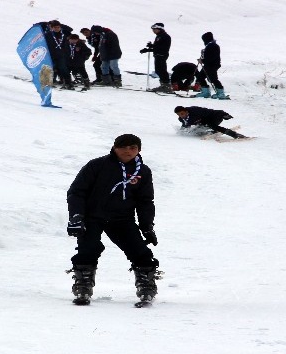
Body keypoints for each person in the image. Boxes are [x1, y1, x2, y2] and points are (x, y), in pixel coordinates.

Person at [66, 134, 160, 304]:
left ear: (139, 150)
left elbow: (145, 201)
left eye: (133, 147)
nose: (128, 151)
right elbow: (76, 192)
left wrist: (147, 226)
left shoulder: (142, 171)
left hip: (122, 219)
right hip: (92, 216)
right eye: (123, 147)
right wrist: (77, 217)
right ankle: (83, 284)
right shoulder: (97, 165)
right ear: (115, 148)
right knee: (88, 248)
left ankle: (146, 284)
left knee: (139, 250)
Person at [174, 106, 247, 139]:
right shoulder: (182, 119)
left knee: (211, 125)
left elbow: (210, 111)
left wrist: (224, 114)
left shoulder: (194, 110)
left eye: (182, 113)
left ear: (186, 111)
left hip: (216, 116)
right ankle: (213, 131)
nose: (181, 116)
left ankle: (235, 135)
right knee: (197, 130)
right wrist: (181, 133)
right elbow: (185, 127)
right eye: (179, 114)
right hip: (206, 120)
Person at [140, 23, 172, 92]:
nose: (153, 31)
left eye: (155, 29)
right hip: (158, 55)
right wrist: (148, 49)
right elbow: (157, 47)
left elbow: (163, 48)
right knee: (158, 70)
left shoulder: (165, 36)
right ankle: (164, 85)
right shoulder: (158, 36)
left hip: (162, 55)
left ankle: (166, 85)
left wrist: (152, 46)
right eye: (153, 29)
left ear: (159, 29)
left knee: (161, 70)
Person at [196, 32, 227, 99]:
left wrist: (202, 60)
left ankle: (221, 93)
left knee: (213, 79)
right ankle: (206, 92)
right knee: (200, 77)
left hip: (211, 65)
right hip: (208, 65)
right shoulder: (211, 45)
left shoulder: (212, 46)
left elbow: (211, 58)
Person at [44, 20, 74, 89]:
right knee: (51, 68)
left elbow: (67, 45)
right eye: (55, 27)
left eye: (58, 27)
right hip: (51, 55)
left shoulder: (64, 35)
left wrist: (67, 54)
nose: (57, 29)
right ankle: (49, 81)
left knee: (63, 68)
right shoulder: (48, 35)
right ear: (52, 28)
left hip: (61, 55)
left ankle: (68, 82)